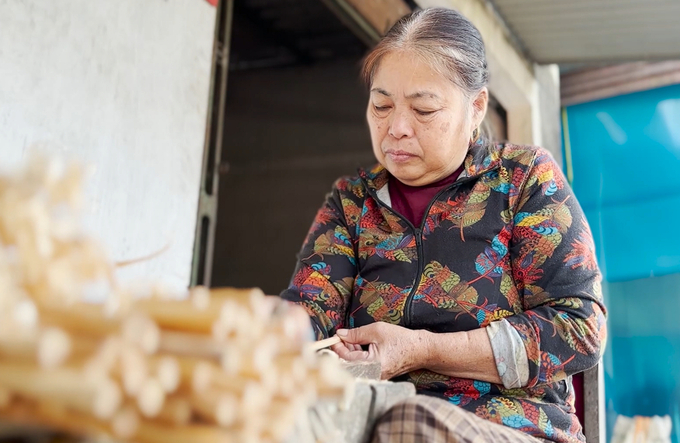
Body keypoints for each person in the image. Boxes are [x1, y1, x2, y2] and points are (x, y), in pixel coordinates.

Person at [280, 7, 607, 443]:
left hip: (510, 427)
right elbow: (310, 310)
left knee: (410, 425)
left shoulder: (523, 179)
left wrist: (422, 351)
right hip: (370, 414)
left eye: (424, 109)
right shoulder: (352, 200)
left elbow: (579, 328)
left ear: (476, 107)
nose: (396, 128)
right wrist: (269, 325)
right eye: (381, 105)